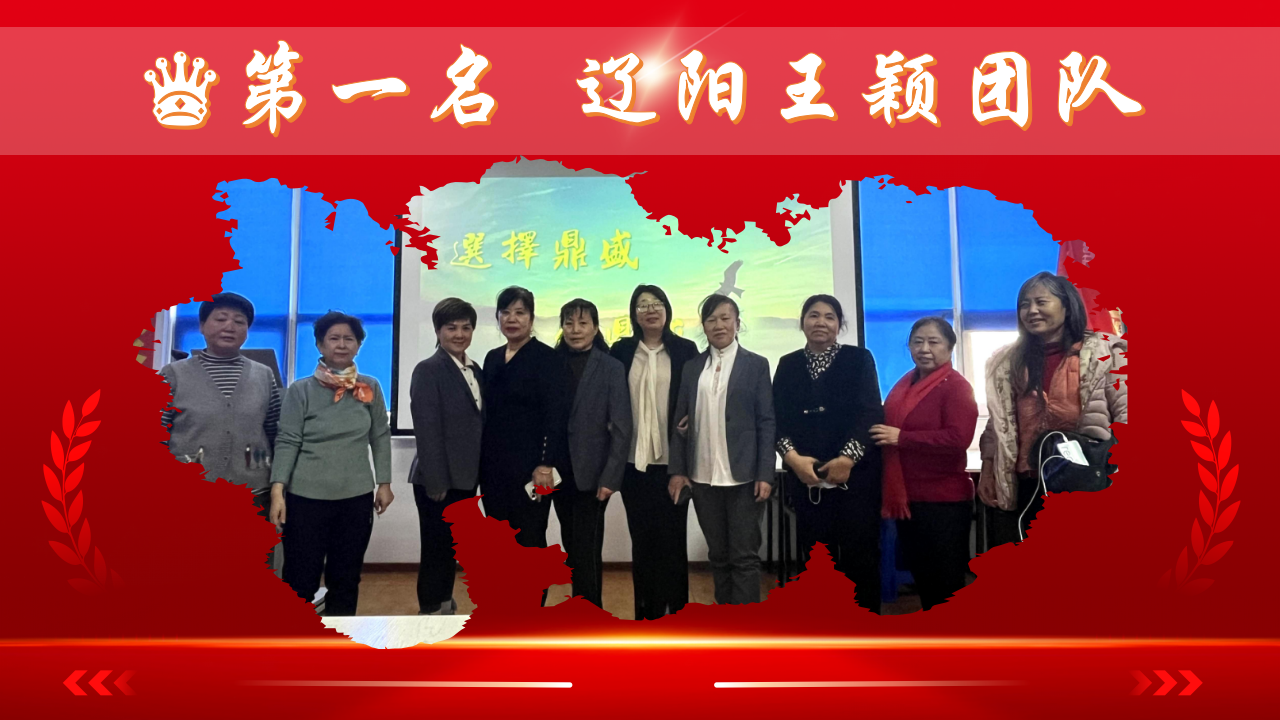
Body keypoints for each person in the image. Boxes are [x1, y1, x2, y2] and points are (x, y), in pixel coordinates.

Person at [978, 272, 1128, 547]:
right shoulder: (1006, 362)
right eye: (1024, 304)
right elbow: (996, 424)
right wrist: (988, 468)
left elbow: (1127, 418)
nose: (1031, 310)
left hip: (1086, 482)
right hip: (1027, 484)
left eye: (1041, 302)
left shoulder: (1106, 352)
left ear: (1067, 306)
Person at [268, 311, 393, 616]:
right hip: (305, 498)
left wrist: (384, 483)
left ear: (358, 345)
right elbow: (287, 439)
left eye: (349, 338)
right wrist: (277, 490)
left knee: (346, 577)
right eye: (333, 338)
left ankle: (341, 637)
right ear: (320, 345)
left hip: (355, 498)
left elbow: (380, 435)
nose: (341, 344)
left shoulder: (370, 387)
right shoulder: (301, 390)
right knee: (300, 578)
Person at [772, 294, 884, 613]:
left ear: (839, 325)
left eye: (829, 316)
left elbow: (870, 413)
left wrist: (847, 459)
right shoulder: (788, 364)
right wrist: (792, 459)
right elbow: (777, 419)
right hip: (806, 479)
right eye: (813, 315)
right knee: (817, 558)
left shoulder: (859, 359)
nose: (820, 322)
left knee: (860, 557)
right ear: (802, 323)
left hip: (856, 477)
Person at [159, 292, 282, 568]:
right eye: (221, 319)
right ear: (202, 326)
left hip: (253, 494)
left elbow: (274, 432)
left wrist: (277, 486)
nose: (230, 326)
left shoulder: (263, 375)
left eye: (239, 321)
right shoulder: (173, 374)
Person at [669, 294, 776, 606]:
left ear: (737, 323)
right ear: (704, 326)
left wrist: (765, 473)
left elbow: (766, 421)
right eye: (711, 319)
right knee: (717, 555)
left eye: (725, 318)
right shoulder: (692, 367)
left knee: (744, 556)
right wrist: (679, 470)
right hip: (703, 476)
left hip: (744, 476)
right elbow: (680, 421)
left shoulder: (756, 365)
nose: (719, 325)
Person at [872, 317, 978, 610]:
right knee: (924, 579)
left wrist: (902, 438)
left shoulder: (956, 387)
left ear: (950, 347)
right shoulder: (905, 383)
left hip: (943, 501)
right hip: (909, 497)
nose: (924, 349)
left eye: (933, 342)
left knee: (944, 584)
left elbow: (958, 438)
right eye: (917, 342)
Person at [609, 285, 700, 620]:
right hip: (634, 464)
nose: (650, 310)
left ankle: (677, 617)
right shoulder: (621, 351)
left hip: (674, 465)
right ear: (634, 314)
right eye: (642, 305)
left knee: (673, 543)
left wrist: (684, 463)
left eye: (657, 303)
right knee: (643, 543)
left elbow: (696, 401)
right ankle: (646, 617)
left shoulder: (685, 350)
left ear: (667, 310)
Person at [479, 287, 571, 572]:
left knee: (530, 539)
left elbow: (556, 416)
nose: (512, 319)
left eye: (520, 312)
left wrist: (545, 464)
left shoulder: (547, 359)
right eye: (505, 312)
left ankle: (531, 600)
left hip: (533, 470)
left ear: (531, 319)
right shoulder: (492, 358)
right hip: (493, 469)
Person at [553, 299, 632, 609]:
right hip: (557, 473)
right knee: (571, 546)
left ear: (596, 328)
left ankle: (588, 616)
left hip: (595, 475)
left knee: (586, 548)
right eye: (569, 323)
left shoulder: (611, 367)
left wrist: (611, 477)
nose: (575, 330)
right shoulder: (552, 363)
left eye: (583, 323)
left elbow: (622, 427)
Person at [409, 298, 484, 616]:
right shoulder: (428, 369)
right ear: (438, 330)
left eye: (466, 327)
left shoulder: (475, 369)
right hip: (437, 480)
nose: (459, 334)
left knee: (452, 545)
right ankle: (430, 607)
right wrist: (437, 480)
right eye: (451, 328)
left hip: (465, 478)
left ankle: (443, 602)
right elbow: (426, 429)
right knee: (436, 546)